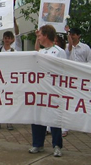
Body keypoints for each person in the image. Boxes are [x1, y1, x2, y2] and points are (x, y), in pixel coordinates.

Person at [29, 24, 65, 157]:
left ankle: (57, 145)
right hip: (40, 90)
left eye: (40, 35)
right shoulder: (41, 52)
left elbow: (64, 70)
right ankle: (37, 144)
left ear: (46, 36)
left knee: (54, 118)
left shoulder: (59, 51)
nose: (38, 37)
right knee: (37, 117)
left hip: (54, 90)